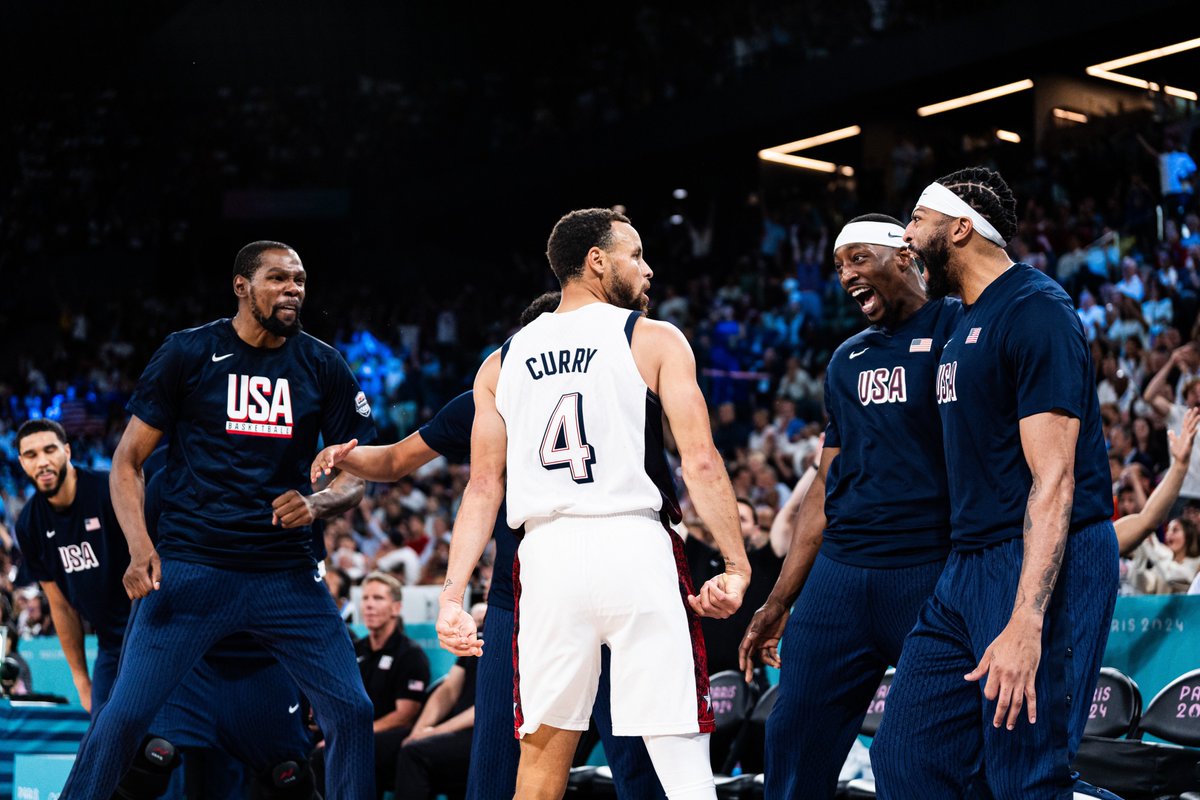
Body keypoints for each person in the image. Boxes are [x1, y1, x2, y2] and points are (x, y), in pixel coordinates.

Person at [435, 207, 750, 800]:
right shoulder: (651, 337)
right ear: (597, 261)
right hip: (633, 545)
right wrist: (736, 564)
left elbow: (482, 488)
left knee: (541, 758)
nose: (648, 269)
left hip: (547, 559)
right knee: (680, 759)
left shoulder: (500, 361)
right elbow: (701, 461)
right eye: (636, 255)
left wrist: (453, 596)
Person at [313, 291, 666, 800]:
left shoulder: (530, 388)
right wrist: (347, 456)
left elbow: (396, 462)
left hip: (543, 590)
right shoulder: (527, 392)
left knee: (608, 753)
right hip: (542, 592)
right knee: (537, 755)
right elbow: (392, 461)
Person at [59, 240, 378, 800]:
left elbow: (358, 473)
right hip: (191, 566)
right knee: (124, 716)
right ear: (241, 286)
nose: (293, 290)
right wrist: (139, 547)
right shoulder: (188, 353)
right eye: (278, 279)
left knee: (352, 709)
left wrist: (319, 502)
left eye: (299, 280)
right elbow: (127, 462)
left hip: (285, 572)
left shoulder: (323, 364)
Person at [870, 168, 1120, 800]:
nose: (907, 237)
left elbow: (1055, 479)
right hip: (967, 566)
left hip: (1041, 562)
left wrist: (1026, 620)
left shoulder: (1036, 310)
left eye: (918, 222)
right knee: (906, 756)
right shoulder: (957, 320)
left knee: (1025, 777)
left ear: (960, 226)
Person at [737, 215, 960, 799]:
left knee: (914, 756)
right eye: (839, 265)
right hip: (841, 573)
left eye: (858, 258)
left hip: (929, 568)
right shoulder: (846, 359)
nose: (846, 275)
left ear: (906, 257)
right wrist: (781, 598)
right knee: (791, 738)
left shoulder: (958, 327)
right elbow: (823, 486)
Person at [392, 603, 487, 800]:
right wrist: (419, 729)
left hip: (486, 731)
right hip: (458, 730)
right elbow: (448, 689)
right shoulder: (476, 641)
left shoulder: (511, 641)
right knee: (397, 745)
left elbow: (487, 708)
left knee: (415, 753)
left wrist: (433, 732)